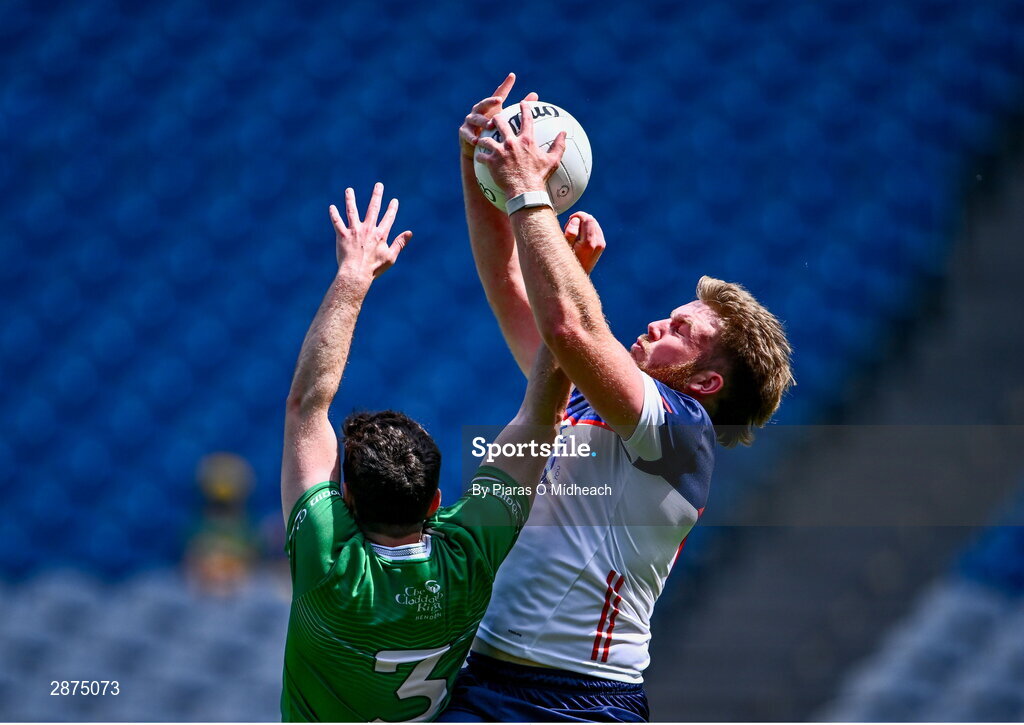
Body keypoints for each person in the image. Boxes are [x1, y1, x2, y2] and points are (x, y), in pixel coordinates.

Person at [442, 75, 796, 722]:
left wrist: (528, 193)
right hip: (484, 672)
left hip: (576, 702)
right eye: (670, 314)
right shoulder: (578, 397)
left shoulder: (681, 431)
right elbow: (507, 282)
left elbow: (571, 326)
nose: (659, 324)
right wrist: (481, 167)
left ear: (707, 382)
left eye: (682, 331)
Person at [279, 182, 576, 721]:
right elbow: (542, 417)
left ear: (346, 497)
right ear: (436, 501)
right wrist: (568, 290)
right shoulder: (469, 558)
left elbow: (306, 406)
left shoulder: (328, 564)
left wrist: (353, 275)